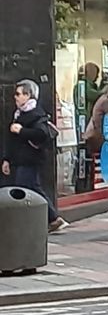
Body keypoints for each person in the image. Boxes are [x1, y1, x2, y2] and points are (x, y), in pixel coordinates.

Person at [2, 80, 68, 234]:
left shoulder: (36, 114)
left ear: (28, 95)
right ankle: (52, 219)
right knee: (32, 189)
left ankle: (34, 222)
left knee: (25, 191)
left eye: (19, 94)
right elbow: (11, 140)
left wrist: (21, 130)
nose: (15, 97)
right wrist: (7, 159)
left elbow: (41, 134)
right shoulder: (19, 113)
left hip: (30, 160)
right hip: (20, 159)